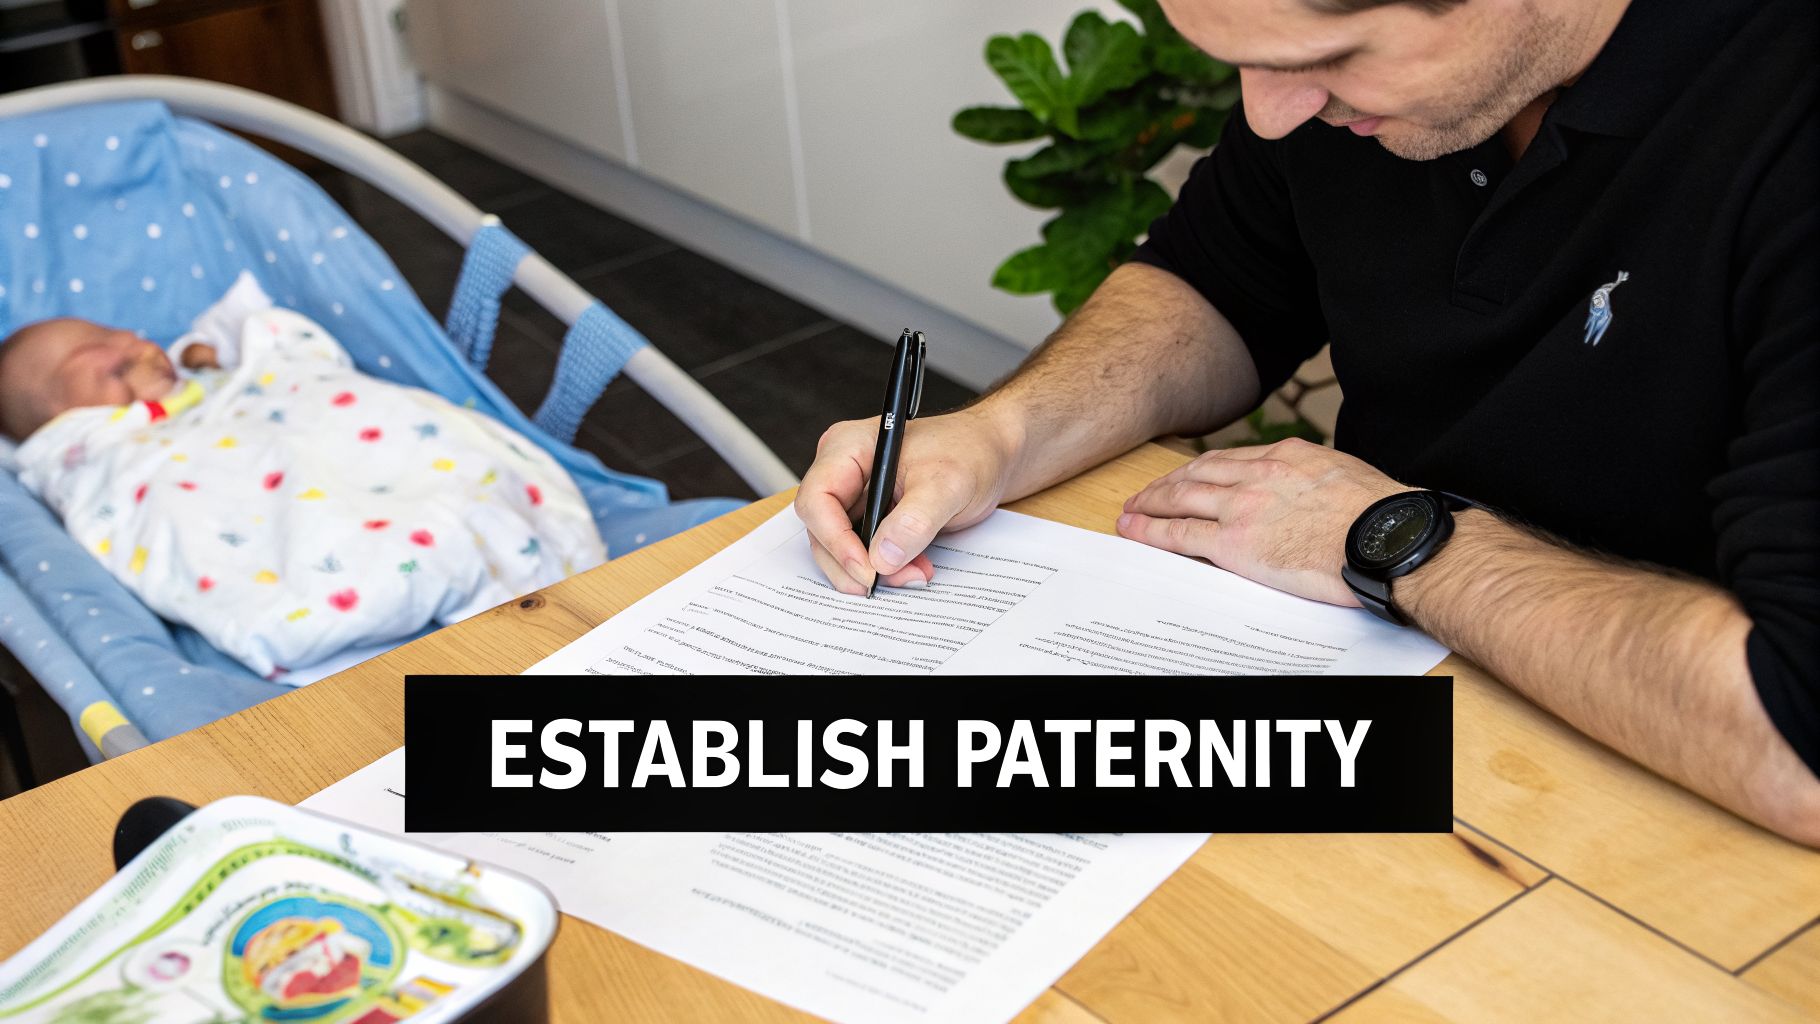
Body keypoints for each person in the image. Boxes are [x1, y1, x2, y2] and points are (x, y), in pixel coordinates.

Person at [796, 0, 1820, 844]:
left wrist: (1399, 543)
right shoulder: (1360, 93)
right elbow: (1219, 277)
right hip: (1399, 720)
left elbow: (1797, 741)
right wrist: (1000, 435)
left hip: (1683, 816)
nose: (1273, 115)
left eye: (1328, 57)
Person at [0, 279, 605, 678]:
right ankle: (416, 587)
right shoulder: (89, 453)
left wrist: (220, 359)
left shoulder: (219, 372)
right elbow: (102, 485)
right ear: (54, 421)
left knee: (451, 483)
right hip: (226, 491)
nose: (127, 342)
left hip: (353, 457)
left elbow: (287, 352)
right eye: (97, 357)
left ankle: (473, 556)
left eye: (117, 334)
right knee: (309, 532)